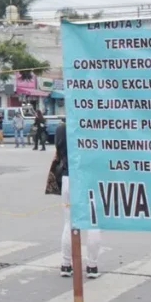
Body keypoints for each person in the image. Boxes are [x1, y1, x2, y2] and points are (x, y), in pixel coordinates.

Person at [52, 119, 101, 278]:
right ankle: (92, 266)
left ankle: (66, 264)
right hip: (91, 177)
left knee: (69, 222)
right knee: (94, 222)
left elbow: (59, 153)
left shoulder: (61, 128)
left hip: (68, 178)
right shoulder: (95, 127)